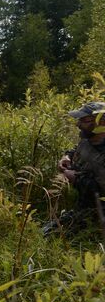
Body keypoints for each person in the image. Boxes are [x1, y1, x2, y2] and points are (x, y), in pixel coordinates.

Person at [44, 101, 105, 236]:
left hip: (99, 214)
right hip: (84, 206)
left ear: (101, 122)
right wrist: (66, 157)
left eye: (84, 120)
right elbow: (75, 150)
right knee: (45, 232)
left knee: (51, 236)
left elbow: (100, 190)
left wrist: (76, 178)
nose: (78, 124)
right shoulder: (87, 140)